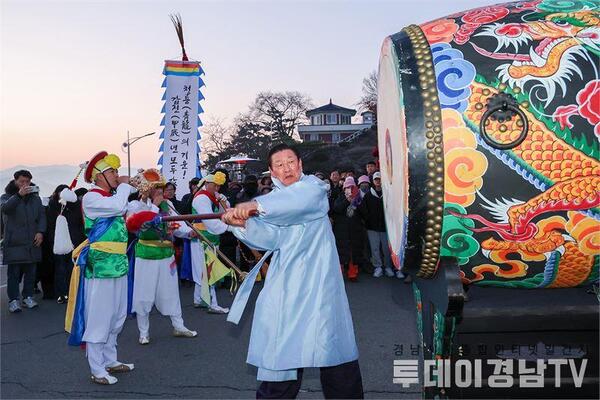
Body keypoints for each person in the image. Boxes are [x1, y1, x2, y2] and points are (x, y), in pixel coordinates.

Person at [221, 143, 363, 399]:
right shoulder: (273, 205)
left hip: (321, 289)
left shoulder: (313, 189)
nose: (286, 168)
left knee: (335, 359)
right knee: (280, 362)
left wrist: (254, 205)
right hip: (287, 289)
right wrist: (241, 225)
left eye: (290, 162)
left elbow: (295, 203)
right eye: (279, 165)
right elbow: (270, 238)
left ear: (300, 165)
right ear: (272, 172)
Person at [78, 151, 135, 385]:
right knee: (100, 316)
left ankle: (110, 359)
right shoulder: (92, 198)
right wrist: (124, 186)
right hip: (101, 265)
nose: (116, 175)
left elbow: (125, 214)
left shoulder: (110, 198)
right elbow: (118, 205)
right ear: (99, 176)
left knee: (117, 315)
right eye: (112, 171)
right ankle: (97, 368)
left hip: (119, 264)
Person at [127, 180, 198, 345]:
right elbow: (140, 225)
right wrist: (154, 206)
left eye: (161, 188)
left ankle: (178, 326)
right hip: (146, 256)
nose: (160, 191)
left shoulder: (168, 206)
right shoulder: (135, 206)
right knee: (144, 294)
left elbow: (178, 225)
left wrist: (189, 233)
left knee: (171, 291)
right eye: (157, 188)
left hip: (166, 255)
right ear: (148, 190)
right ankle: (143, 332)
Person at [1, 170, 46, 313]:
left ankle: (28, 296)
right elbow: (5, 209)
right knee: (14, 273)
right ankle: (13, 300)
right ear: (15, 181)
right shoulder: (6, 197)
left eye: (27, 181)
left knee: (31, 271)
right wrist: (19, 195)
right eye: (22, 181)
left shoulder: (35, 198)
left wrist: (40, 232)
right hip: (14, 241)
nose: (25, 184)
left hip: (32, 241)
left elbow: (41, 216)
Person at [189, 172, 230, 314]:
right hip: (203, 239)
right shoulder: (202, 198)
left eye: (219, 186)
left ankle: (199, 299)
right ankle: (213, 303)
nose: (217, 189)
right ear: (206, 184)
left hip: (208, 237)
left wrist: (223, 202)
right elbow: (210, 221)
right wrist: (229, 228)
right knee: (208, 270)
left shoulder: (210, 197)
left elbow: (223, 213)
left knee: (204, 270)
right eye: (214, 186)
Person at [46, 184, 86, 303]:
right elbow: (50, 225)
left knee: (70, 268)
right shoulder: (53, 206)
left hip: (73, 241)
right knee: (61, 269)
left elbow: (80, 222)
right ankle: (61, 293)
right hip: (60, 242)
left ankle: (70, 292)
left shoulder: (75, 205)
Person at [357, 172, 397, 278]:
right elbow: (363, 210)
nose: (378, 181)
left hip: (385, 227)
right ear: (373, 181)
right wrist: (368, 219)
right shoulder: (368, 195)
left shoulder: (388, 194)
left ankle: (388, 266)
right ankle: (378, 267)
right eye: (376, 180)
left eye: (379, 179)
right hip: (372, 227)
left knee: (386, 248)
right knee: (374, 248)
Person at [332, 177, 367, 282]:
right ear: (344, 188)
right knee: (341, 251)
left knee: (353, 252)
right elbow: (336, 209)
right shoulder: (340, 197)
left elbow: (364, 213)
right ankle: (340, 272)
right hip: (341, 230)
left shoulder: (359, 198)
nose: (349, 189)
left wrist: (356, 202)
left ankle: (353, 273)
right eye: (347, 187)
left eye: (351, 187)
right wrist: (347, 201)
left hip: (355, 230)